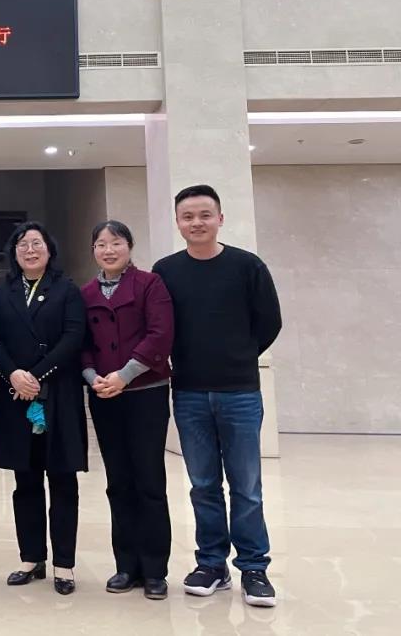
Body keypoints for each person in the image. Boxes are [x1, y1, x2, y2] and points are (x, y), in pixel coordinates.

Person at [153, 184, 282, 608]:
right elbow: (160, 326)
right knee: (203, 485)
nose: (197, 223)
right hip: (189, 392)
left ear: (220, 218)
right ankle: (211, 564)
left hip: (240, 392)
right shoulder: (166, 271)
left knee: (246, 486)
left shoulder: (247, 266)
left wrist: (239, 355)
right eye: (188, 216)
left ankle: (254, 568)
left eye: (205, 215)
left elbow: (269, 322)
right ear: (178, 223)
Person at [0, 222, 87, 595]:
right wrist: (13, 373)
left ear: (49, 249)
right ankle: (31, 557)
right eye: (22, 244)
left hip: (58, 394)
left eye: (36, 243)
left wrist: (36, 374)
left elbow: (73, 337)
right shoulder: (3, 293)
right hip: (17, 396)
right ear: (13, 253)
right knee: (25, 480)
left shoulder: (67, 290)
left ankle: (64, 564)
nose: (30, 250)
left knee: (62, 479)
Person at [80, 220, 174, 601]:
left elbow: (160, 334)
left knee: (149, 480)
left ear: (129, 246)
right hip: (104, 395)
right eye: (101, 244)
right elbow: (81, 344)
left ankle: (155, 570)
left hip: (145, 392)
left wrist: (124, 375)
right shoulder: (86, 293)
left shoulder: (150, 284)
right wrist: (93, 378)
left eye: (116, 242)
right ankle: (126, 565)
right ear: (93, 251)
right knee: (118, 481)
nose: (109, 250)